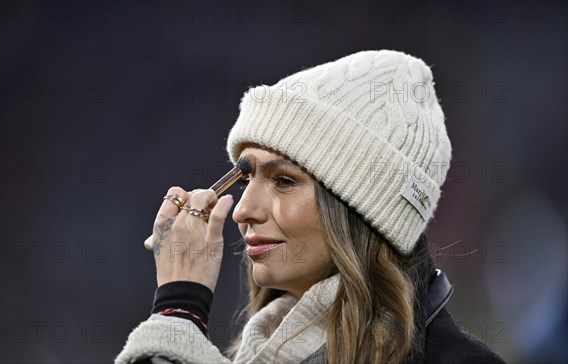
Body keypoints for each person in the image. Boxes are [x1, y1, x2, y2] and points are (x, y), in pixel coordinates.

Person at [115, 50, 505, 364]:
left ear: (363, 211)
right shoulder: (264, 349)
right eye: (247, 178)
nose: (242, 210)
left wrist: (179, 312)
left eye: (284, 181)